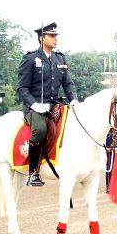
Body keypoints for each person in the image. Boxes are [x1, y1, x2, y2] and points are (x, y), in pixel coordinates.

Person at [17, 22, 78, 187]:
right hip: (34, 107)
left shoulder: (60, 58)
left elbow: (68, 83)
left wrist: (73, 98)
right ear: (42, 38)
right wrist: (34, 104)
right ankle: (33, 173)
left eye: (56, 35)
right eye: (52, 35)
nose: (55, 38)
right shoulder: (30, 59)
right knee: (41, 130)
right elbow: (22, 89)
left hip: (55, 105)